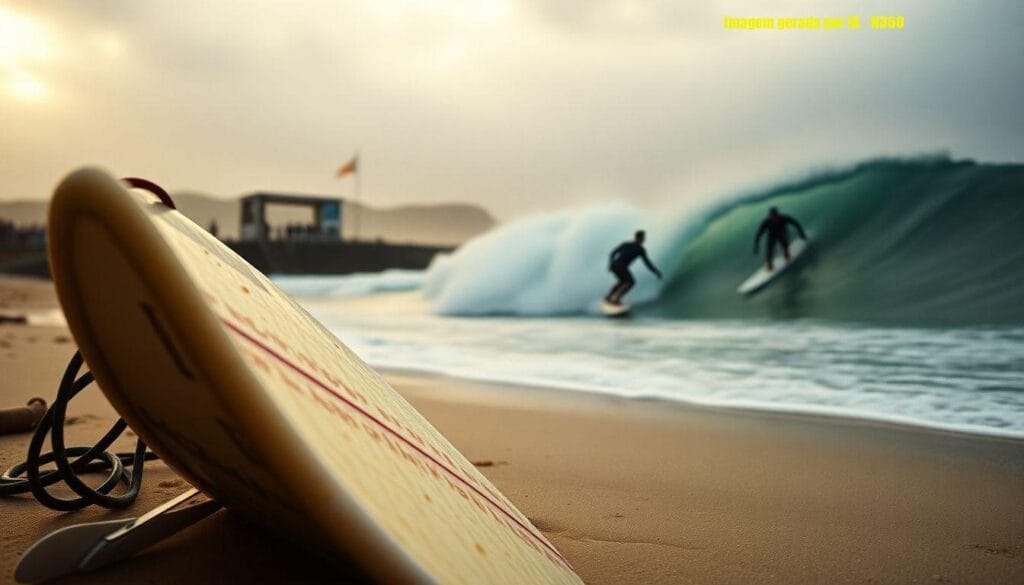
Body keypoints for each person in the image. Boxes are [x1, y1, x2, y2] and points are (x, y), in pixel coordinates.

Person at [605, 230, 662, 305]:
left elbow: (613, 253)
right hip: (620, 266)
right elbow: (647, 263)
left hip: (615, 265)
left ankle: (608, 297)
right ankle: (616, 299)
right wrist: (656, 272)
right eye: (643, 238)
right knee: (631, 282)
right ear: (639, 238)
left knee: (622, 281)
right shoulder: (640, 249)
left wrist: (610, 263)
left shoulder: (626, 244)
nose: (644, 240)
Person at [753, 207, 807, 271]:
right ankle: (770, 266)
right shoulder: (766, 222)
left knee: (785, 245)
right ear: (770, 216)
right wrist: (756, 246)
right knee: (769, 251)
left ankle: (787, 258)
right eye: (772, 216)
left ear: (778, 214)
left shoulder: (784, 218)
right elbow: (758, 234)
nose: (774, 218)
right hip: (772, 236)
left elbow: (796, 223)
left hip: (782, 233)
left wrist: (801, 233)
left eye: (775, 216)